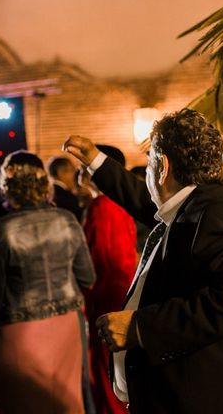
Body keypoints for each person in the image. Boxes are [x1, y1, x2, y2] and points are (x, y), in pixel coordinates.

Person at [64, 108, 223, 414]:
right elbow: (142, 199)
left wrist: (141, 326)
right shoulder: (195, 203)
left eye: (150, 163)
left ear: (162, 166)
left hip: (206, 399)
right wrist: (96, 160)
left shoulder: (218, 211)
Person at [0, 150, 96, 414]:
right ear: (45, 184)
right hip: (66, 327)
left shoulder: (0, 230)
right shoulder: (67, 221)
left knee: (23, 405)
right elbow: (88, 277)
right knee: (67, 403)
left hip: (19, 329)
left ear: (7, 187)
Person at [82, 146, 138, 414]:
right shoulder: (122, 202)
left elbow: (101, 260)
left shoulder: (102, 206)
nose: (80, 175)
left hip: (107, 298)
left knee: (107, 376)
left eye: (85, 168)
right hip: (124, 293)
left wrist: (87, 301)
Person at [48, 156, 83, 221]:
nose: (75, 175)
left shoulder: (46, 195)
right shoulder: (67, 198)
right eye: (72, 170)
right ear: (60, 173)